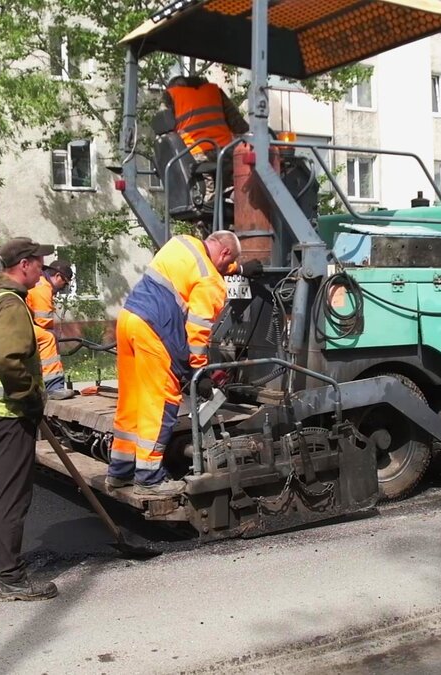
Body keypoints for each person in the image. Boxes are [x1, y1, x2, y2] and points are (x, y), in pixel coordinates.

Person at [105, 231, 262, 495]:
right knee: (160, 403)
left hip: (129, 319)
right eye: (229, 262)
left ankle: (119, 472)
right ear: (224, 254)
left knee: (131, 400)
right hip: (155, 331)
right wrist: (199, 373)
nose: (226, 268)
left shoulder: (181, 243)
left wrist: (239, 268)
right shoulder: (211, 282)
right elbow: (197, 333)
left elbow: (210, 261)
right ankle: (149, 479)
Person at [0, 236, 58, 601]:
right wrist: (29, 398)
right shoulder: (13, 304)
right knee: (13, 497)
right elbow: (5, 361)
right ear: (24, 265)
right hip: (8, 414)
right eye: (40, 263)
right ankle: (12, 579)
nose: (43, 270)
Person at [163, 75, 250, 208]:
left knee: (207, 204)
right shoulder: (215, 92)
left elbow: (165, 129)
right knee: (236, 188)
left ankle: (209, 215)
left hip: (196, 157)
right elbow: (240, 125)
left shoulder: (171, 96)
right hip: (226, 153)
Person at [26, 259, 73, 394]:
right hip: (22, 325)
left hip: (21, 323)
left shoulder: (39, 282)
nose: (62, 288)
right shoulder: (43, 287)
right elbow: (43, 321)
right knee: (48, 338)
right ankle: (53, 387)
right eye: (64, 283)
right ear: (58, 277)